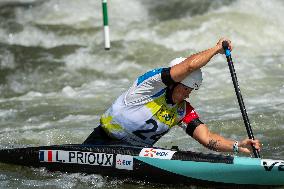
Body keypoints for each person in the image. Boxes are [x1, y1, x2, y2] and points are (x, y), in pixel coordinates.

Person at [83, 38, 261, 155]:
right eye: (185, 88)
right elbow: (189, 66)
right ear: (174, 83)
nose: (188, 93)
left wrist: (237, 145)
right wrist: (216, 49)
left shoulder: (182, 110)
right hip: (101, 142)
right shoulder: (150, 86)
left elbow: (207, 138)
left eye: (191, 90)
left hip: (137, 154)